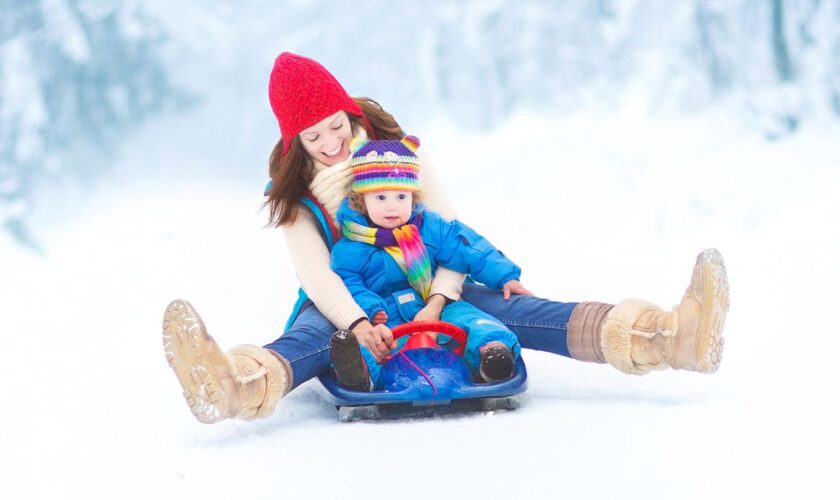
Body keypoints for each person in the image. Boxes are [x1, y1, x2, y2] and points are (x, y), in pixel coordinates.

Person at [162, 52, 730, 424]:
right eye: (316, 136)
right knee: (312, 339)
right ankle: (233, 384)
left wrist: (443, 294)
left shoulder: (402, 154)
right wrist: (359, 322)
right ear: (295, 141)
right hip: (349, 300)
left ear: (347, 109)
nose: (333, 141)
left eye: (337, 124)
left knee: (525, 310)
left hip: (431, 280)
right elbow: (318, 275)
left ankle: (665, 337)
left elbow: (449, 231)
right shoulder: (295, 200)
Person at [328, 135, 528, 390]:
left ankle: (492, 355)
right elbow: (348, 283)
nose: (392, 207)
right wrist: (370, 309)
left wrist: (504, 275)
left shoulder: (428, 228)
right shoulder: (351, 247)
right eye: (380, 198)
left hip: (432, 303)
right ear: (361, 200)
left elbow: (466, 246)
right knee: (374, 343)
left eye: (401, 197)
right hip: (387, 315)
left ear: (413, 196)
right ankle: (359, 371)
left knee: (471, 319)